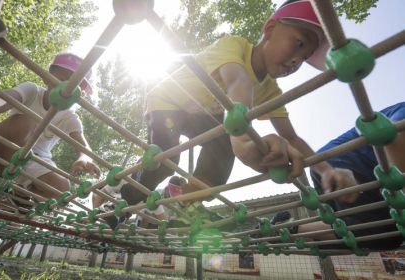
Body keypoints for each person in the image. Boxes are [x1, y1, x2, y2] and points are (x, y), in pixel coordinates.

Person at [96, 0, 334, 227]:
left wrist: (327, 171)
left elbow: (291, 137)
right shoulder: (235, 46)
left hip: (200, 115)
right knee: (165, 160)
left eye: (303, 58)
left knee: (222, 147)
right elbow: (238, 81)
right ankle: (120, 203)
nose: (296, 61)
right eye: (299, 44)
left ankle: (186, 202)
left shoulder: (271, 90)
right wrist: (241, 139)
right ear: (270, 29)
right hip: (168, 101)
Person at [275, 102, 405, 250]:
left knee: (372, 232)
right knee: (386, 232)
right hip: (343, 168)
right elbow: (397, 136)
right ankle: (291, 229)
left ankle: (289, 229)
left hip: (331, 166)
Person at [0, 53, 101, 203]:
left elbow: (83, 146)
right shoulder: (32, 91)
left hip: (33, 159)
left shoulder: (69, 117)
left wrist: (84, 158)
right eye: (61, 79)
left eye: (75, 87)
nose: (66, 89)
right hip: (2, 149)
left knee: (63, 188)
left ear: (80, 95)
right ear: (46, 77)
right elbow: (3, 100)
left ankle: (19, 193)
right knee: (25, 122)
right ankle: (0, 182)